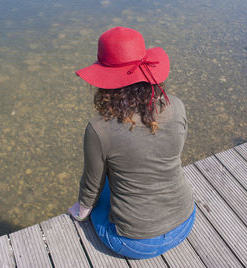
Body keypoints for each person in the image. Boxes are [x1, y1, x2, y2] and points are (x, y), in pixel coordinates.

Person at [68, 26, 196, 259]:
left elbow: (91, 188)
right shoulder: (176, 106)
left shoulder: (99, 129)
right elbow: (174, 153)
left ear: (104, 80)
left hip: (134, 244)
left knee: (102, 190)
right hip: (185, 221)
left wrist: (80, 212)